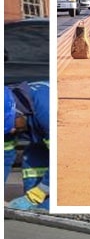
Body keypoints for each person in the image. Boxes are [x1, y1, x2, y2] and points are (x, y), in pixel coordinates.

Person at [4, 82, 50, 211]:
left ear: (18, 112)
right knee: (31, 160)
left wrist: (35, 196)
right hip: (38, 139)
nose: (12, 131)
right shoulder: (7, 116)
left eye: (13, 125)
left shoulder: (47, 110)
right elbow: (4, 156)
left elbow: (63, 161)